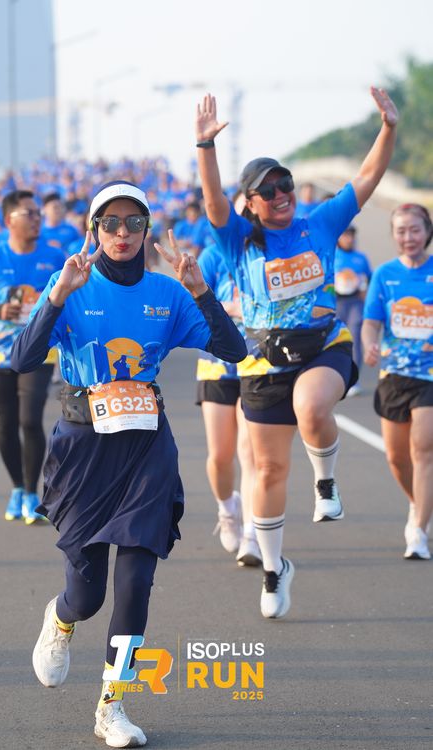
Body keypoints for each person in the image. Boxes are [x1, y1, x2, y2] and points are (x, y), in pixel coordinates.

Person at [11, 180, 246, 747]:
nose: (122, 233)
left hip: (146, 448)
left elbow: (234, 350)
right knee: (88, 595)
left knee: (136, 581)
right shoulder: (72, 283)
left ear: (146, 230)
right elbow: (22, 358)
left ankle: (112, 705)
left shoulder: (168, 293)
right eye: (110, 223)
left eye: (134, 223)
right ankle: (61, 619)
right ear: (93, 230)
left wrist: (201, 291)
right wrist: (56, 296)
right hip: (83, 449)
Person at [195, 88, 398, 619]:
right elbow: (214, 203)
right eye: (268, 190)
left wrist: (388, 129)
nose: (281, 193)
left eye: (285, 183)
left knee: (311, 407)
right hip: (263, 364)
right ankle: (274, 569)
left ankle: (326, 481)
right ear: (251, 203)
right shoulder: (238, 242)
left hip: (323, 347)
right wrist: (205, 147)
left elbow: (367, 178)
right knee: (266, 471)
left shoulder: (320, 223)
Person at [0, 189, 66, 522]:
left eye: (38, 213)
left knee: (30, 420)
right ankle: (18, 488)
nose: (37, 219)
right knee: (6, 426)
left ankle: (33, 493)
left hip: (38, 354)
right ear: (10, 220)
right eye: (30, 214)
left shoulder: (54, 257)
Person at [362, 203, 433, 561]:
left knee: (424, 451)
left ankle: (418, 531)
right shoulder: (384, 274)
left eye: (415, 229)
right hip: (394, 375)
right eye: (401, 231)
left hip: (429, 377)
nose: (409, 237)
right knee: (396, 457)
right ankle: (419, 503)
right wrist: (369, 344)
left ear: (428, 232)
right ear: (393, 235)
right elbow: (371, 321)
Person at [196, 195, 260, 567]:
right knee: (220, 456)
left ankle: (252, 532)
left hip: (258, 362)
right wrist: (231, 309)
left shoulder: (265, 254)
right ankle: (227, 509)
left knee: (250, 452)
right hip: (217, 364)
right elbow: (195, 306)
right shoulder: (211, 256)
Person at [335, 224, 372, 395]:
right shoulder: (333, 255)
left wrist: (364, 287)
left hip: (355, 302)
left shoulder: (361, 258)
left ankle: (354, 381)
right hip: (337, 303)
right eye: (345, 235)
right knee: (336, 340)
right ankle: (337, 378)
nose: (349, 239)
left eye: (351, 236)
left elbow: (369, 278)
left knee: (355, 338)